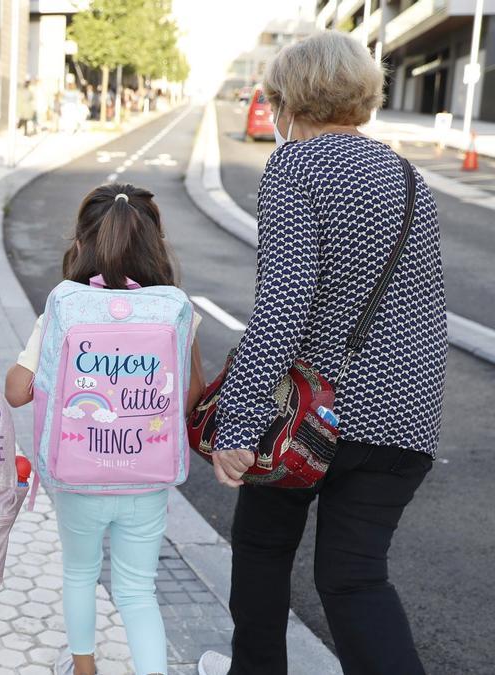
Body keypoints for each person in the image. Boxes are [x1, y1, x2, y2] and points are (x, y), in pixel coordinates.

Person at [196, 31, 446, 675]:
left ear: (287, 102)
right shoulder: (407, 176)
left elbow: (282, 307)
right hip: (404, 419)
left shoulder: (297, 168)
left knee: (261, 547)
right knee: (355, 580)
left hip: (313, 416)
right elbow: (422, 306)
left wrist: (240, 425)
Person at [4, 184, 205, 675]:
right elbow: (193, 398)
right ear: (156, 244)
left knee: (79, 574)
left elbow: (16, 390)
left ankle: (84, 667)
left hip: (78, 475)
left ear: (81, 243)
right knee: (138, 588)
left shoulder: (65, 305)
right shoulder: (176, 308)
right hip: (148, 476)